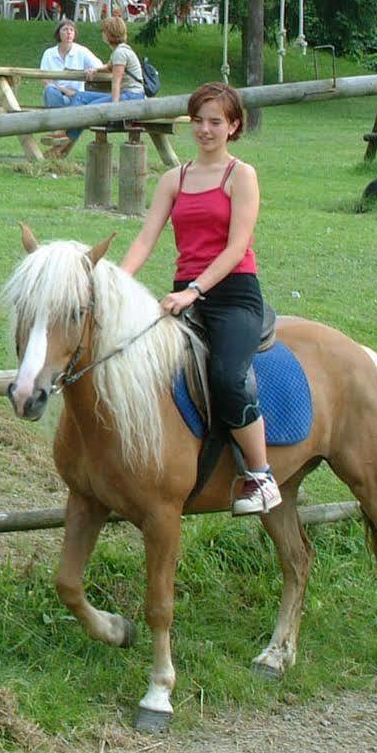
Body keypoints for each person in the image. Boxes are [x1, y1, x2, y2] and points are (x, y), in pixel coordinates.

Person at [120, 82, 280, 516]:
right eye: (198, 121)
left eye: (215, 122)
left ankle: (261, 476)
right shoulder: (175, 178)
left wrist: (193, 290)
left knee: (228, 376)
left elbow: (236, 246)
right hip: (185, 294)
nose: (205, 130)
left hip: (233, 294)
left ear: (233, 126)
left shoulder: (240, 175)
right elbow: (146, 238)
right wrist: (113, 280)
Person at [48, 15, 143, 155]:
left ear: (109, 33)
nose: (102, 34)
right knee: (80, 97)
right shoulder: (120, 50)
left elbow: (116, 81)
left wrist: (114, 108)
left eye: (104, 31)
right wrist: (97, 69)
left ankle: (59, 142)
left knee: (87, 110)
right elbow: (110, 66)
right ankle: (61, 137)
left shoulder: (120, 53)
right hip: (126, 95)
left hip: (131, 97)